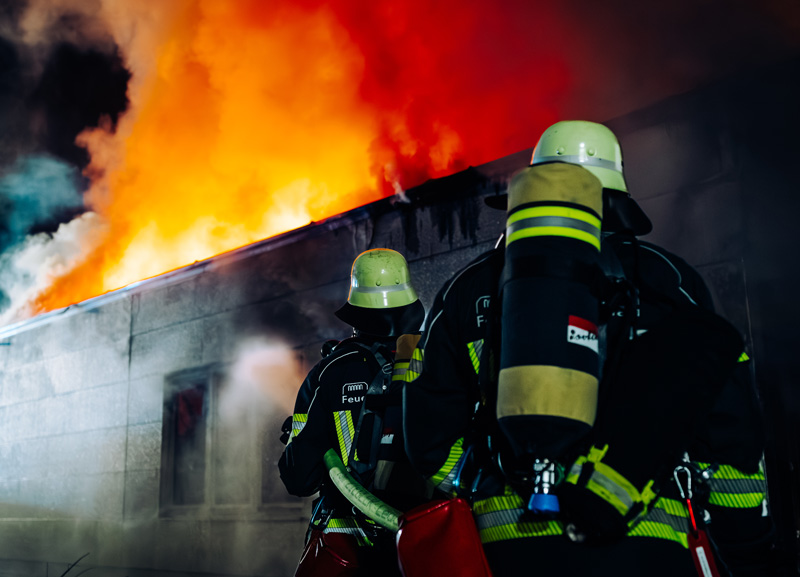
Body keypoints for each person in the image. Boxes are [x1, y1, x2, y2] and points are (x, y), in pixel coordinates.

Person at [403, 120, 773, 576]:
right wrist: (748, 547)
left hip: (508, 546)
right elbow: (729, 429)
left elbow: (428, 432)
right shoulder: (668, 280)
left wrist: (484, 482)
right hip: (646, 539)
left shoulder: (467, 289)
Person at [279, 248, 429, 577]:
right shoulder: (435, 359)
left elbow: (299, 477)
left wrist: (295, 439)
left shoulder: (332, 370)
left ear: (356, 309)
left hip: (349, 546)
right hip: (423, 542)